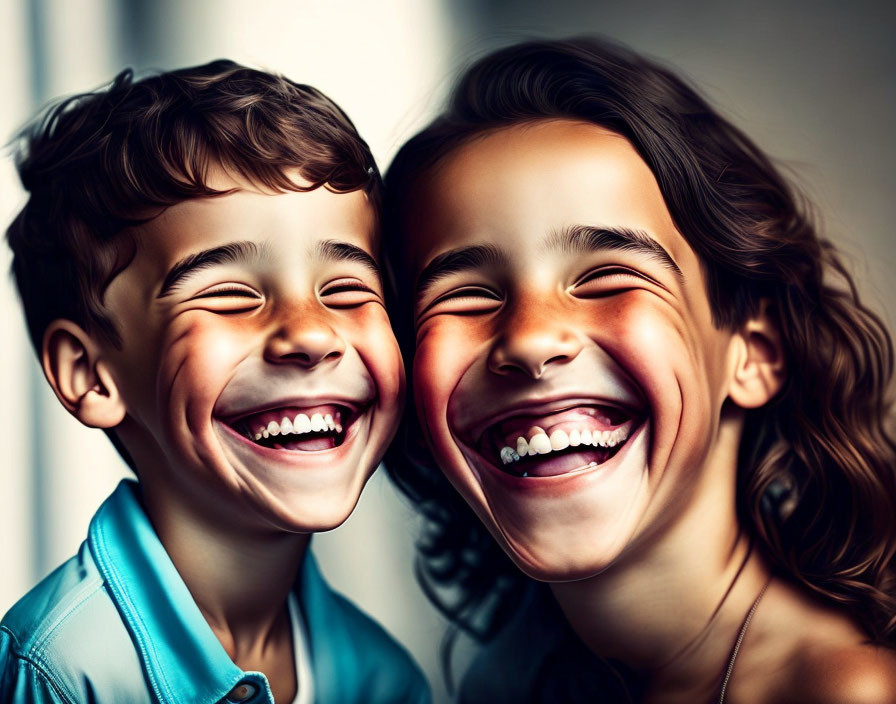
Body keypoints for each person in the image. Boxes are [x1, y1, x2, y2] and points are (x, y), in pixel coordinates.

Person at [383, 38, 896, 702]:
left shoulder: (850, 691)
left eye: (605, 277)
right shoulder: (505, 684)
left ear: (755, 353)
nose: (533, 339)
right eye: (466, 296)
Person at [1, 60, 428, 704]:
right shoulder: (56, 674)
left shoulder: (384, 679)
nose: (311, 334)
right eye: (228, 295)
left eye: (346, 289)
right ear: (90, 374)